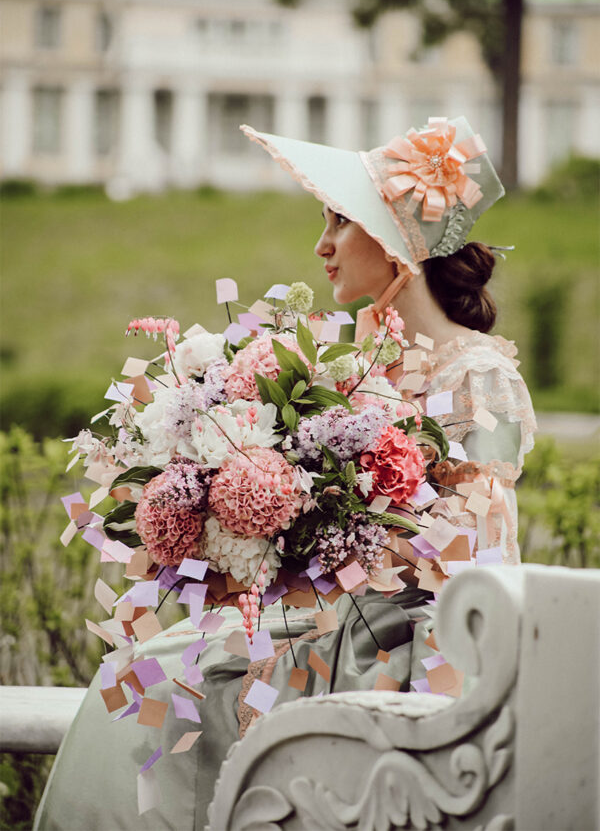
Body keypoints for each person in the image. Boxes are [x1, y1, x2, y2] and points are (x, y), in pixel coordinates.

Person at [35, 116, 536, 831]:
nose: (322, 246)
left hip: (407, 638)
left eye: (339, 222)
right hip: (327, 615)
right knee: (144, 669)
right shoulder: (357, 363)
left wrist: (311, 549)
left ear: (399, 243)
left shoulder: (476, 374)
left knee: (182, 673)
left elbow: (473, 555)